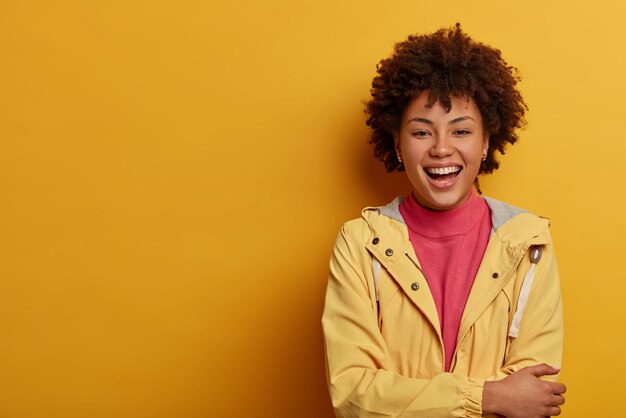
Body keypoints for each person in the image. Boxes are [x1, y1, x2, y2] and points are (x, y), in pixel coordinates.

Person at [321, 24, 566, 418]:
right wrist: (485, 399)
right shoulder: (358, 242)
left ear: (486, 141)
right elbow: (353, 394)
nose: (441, 148)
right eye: (421, 131)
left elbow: (531, 398)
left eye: (462, 131)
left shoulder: (528, 242)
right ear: (398, 144)